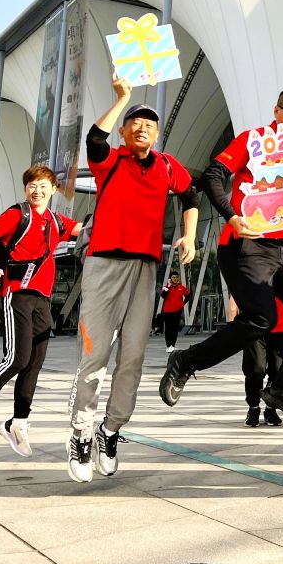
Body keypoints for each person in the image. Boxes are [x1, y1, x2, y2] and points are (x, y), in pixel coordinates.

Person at [160, 88, 283, 426]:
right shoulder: (254, 140)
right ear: (277, 111)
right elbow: (212, 175)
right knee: (262, 317)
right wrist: (232, 215)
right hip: (247, 243)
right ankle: (186, 361)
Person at [68, 78, 199, 483]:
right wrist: (122, 98)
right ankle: (81, 432)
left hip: (145, 269)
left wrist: (190, 235)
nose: (143, 128)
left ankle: (110, 429)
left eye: (150, 125)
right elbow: (94, 139)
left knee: (133, 357)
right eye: (135, 123)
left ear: (157, 135)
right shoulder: (111, 161)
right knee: (95, 355)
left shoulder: (166, 165)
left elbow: (191, 195)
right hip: (104, 265)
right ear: (123, 132)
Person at [0, 165, 81, 457]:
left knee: (34, 363)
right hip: (16, 294)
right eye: (32, 185)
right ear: (26, 189)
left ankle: (17, 423)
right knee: (16, 359)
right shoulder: (16, 215)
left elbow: (86, 231)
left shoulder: (56, 221)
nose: (37, 191)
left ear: (54, 189)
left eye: (43, 185)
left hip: (42, 299)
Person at [242, 297, 283, 428]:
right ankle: (253, 407)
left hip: (281, 325)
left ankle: (270, 408)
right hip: (255, 325)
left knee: (278, 369)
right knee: (256, 369)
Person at [160, 271, 190, 353]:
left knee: (175, 329)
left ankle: (172, 346)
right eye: (173, 277)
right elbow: (163, 295)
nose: (175, 279)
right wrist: (169, 286)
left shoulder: (181, 287)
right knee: (168, 329)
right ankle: (168, 346)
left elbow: (188, 295)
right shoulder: (166, 287)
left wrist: (182, 304)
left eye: (176, 277)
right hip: (167, 311)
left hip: (177, 311)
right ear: (170, 278)